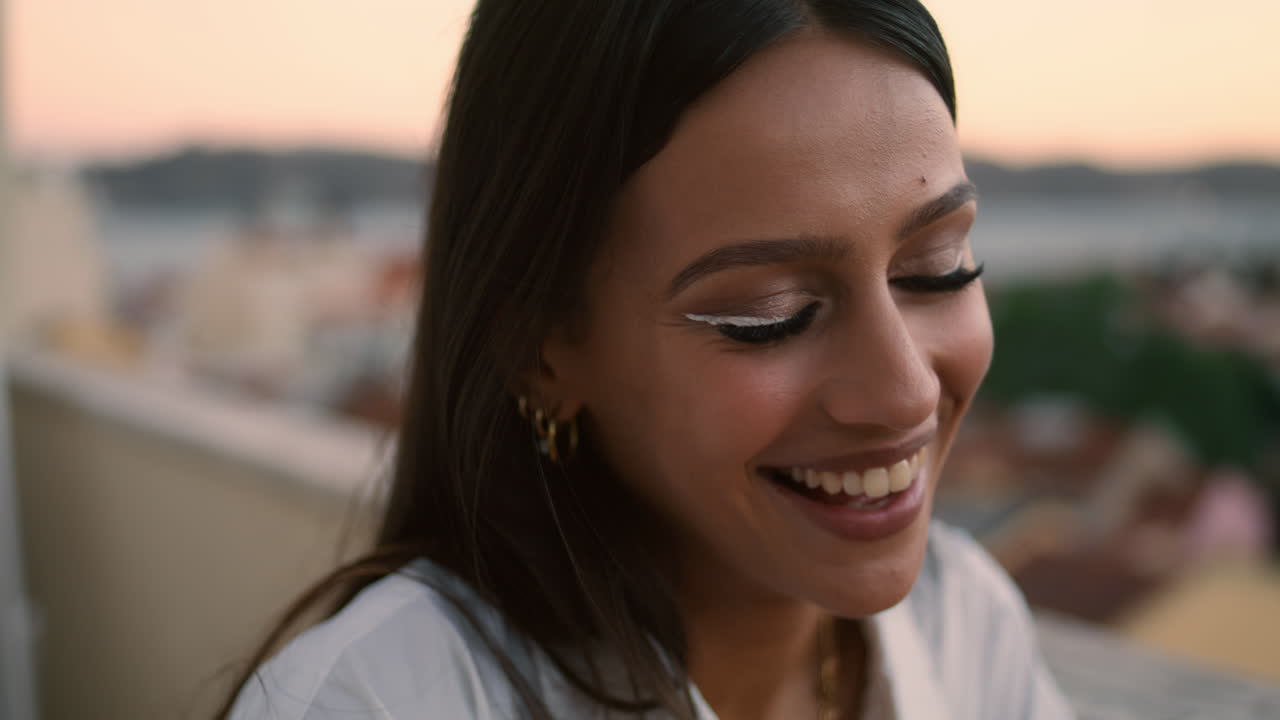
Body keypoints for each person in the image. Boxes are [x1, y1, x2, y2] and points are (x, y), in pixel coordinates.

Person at [223, 1, 1075, 718]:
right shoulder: (378, 702)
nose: (903, 390)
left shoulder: (967, 628)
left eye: (938, 270)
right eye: (770, 316)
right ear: (542, 350)